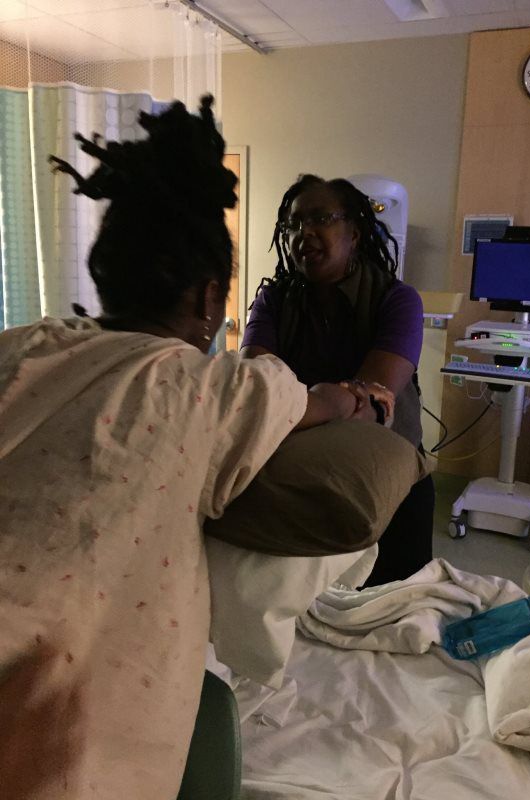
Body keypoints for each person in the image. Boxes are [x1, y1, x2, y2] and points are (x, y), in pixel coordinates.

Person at [0, 100, 388, 799]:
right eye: (300, 221)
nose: (307, 234)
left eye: (321, 221)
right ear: (213, 298)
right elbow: (317, 396)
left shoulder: (22, 347)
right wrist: (355, 399)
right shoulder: (209, 386)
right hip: (49, 746)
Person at [241, 174, 434, 585]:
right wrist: (328, 400)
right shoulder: (272, 302)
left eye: (320, 219)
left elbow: (370, 402)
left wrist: (302, 404)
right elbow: (258, 389)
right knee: (308, 608)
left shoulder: (397, 300)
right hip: (304, 479)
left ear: (355, 232)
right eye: (292, 224)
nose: (303, 233)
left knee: (395, 598)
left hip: (390, 477)